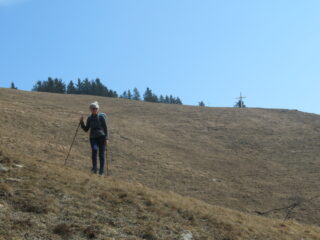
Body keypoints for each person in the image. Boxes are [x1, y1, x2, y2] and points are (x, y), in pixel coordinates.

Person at [80, 101, 109, 176]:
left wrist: (107, 138)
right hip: (93, 139)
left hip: (101, 138)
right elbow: (86, 129)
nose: (94, 110)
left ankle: (101, 171)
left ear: (98, 109)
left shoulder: (101, 117)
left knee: (101, 154)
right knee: (94, 151)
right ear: (90, 109)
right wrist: (81, 122)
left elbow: (105, 128)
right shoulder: (89, 118)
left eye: (95, 108)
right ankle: (94, 168)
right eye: (93, 108)